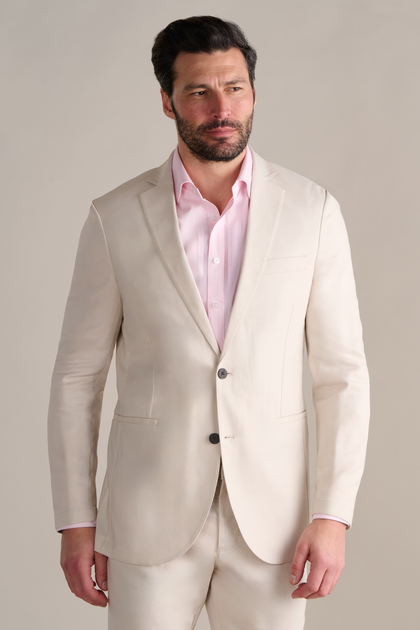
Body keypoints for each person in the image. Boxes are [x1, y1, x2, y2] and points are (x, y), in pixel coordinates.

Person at [48, 15, 370, 630]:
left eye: (235, 88)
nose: (222, 108)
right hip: (146, 521)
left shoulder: (313, 212)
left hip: (274, 530)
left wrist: (333, 515)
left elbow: (343, 376)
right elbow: (76, 377)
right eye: (199, 91)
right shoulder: (114, 217)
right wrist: (76, 520)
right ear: (167, 101)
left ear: (254, 92)